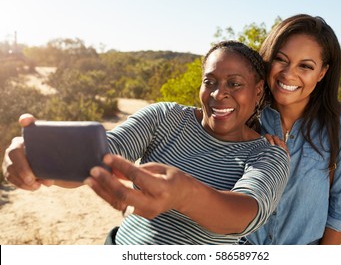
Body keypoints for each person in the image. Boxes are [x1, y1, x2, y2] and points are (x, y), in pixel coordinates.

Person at [3, 41, 290, 245]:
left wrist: (184, 195)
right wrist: (42, 160)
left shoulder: (268, 154)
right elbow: (101, 155)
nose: (218, 94)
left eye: (234, 84)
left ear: (258, 90)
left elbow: (245, 213)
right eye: (210, 81)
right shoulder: (165, 117)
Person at [243, 14, 341, 245]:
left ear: (322, 72)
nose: (289, 74)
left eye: (305, 66)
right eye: (281, 59)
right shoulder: (244, 112)